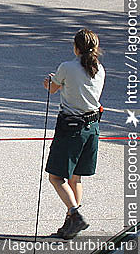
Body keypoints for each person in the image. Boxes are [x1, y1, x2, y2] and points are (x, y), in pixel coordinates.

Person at [42, 28, 105, 240]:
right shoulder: (99, 69)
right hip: (92, 128)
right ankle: (71, 223)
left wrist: (50, 82)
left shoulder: (67, 67)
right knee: (75, 178)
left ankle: (75, 214)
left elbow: (52, 89)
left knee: (56, 177)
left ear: (76, 47)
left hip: (71, 127)